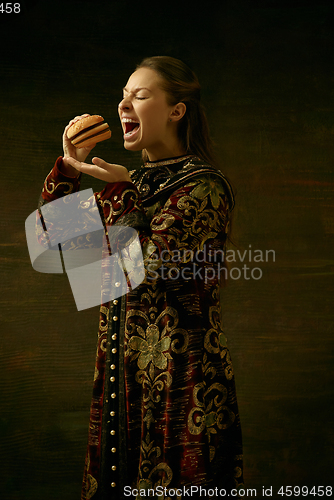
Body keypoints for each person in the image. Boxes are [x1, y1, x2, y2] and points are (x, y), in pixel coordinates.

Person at [37, 56, 243, 499]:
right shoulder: (130, 182)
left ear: (176, 110)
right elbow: (71, 263)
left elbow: (144, 272)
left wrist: (120, 191)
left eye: (140, 95)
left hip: (181, 385)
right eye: (123, 95)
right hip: (118, 380)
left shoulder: (204, 186)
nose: (124, 103)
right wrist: (69, 171)